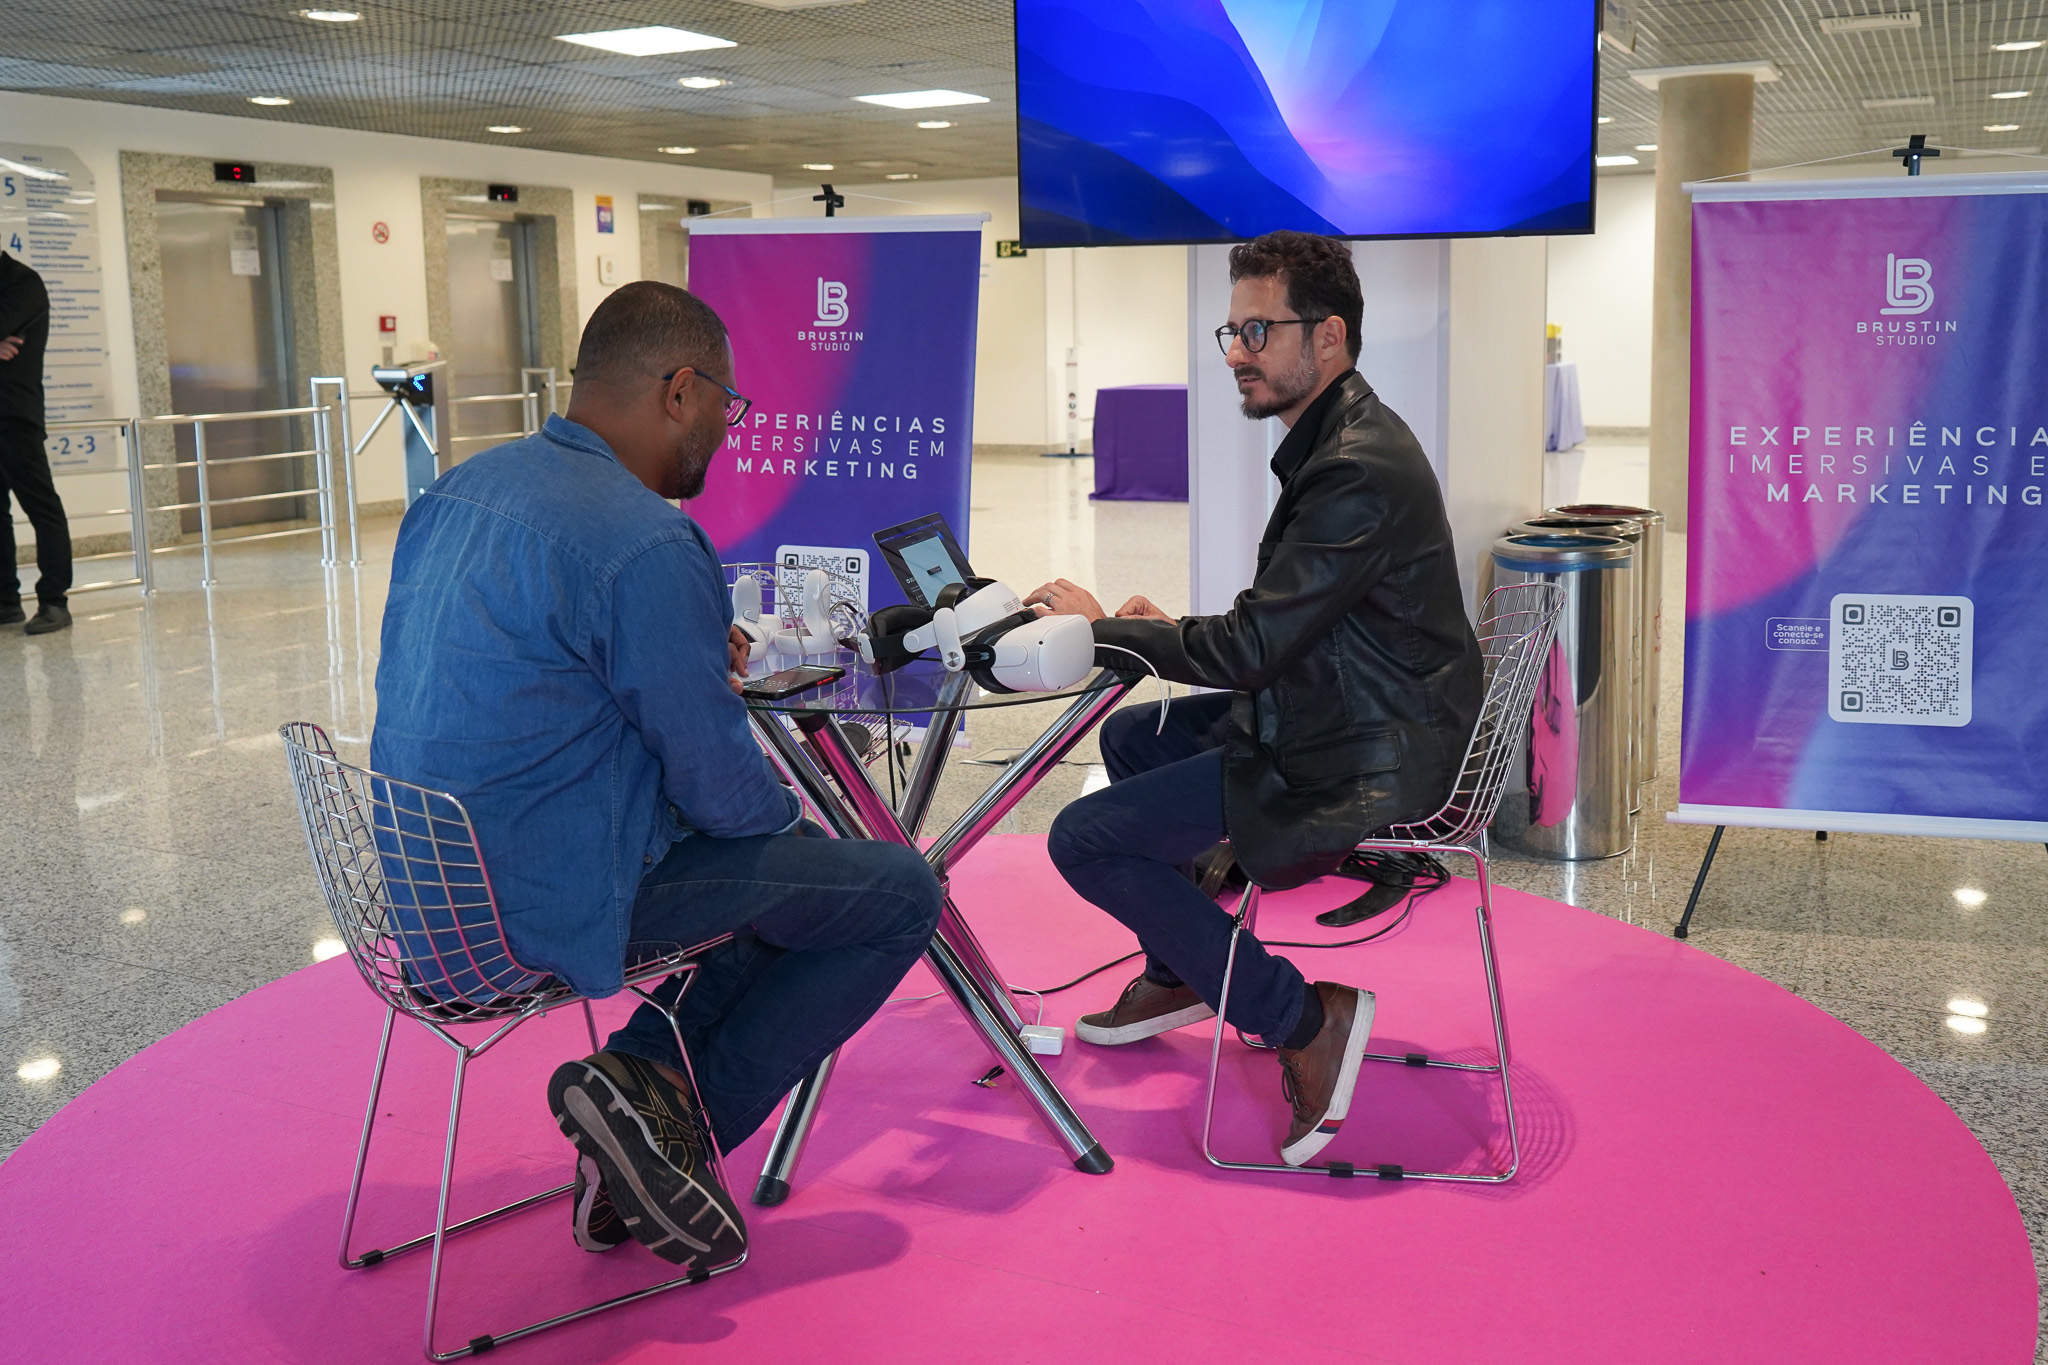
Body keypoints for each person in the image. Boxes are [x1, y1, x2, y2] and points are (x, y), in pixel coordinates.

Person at [372, 281, 943, 1269]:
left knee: (791, 881)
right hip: (544, 904)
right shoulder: (643, 538)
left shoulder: (456, 492)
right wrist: (791, 832)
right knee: (890, 892)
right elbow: (724, 794)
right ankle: (669, 1141)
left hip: (426, 900)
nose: (728, 429)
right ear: (680, 390)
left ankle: (639, 1087)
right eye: (727, 403)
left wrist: (683, 651)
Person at [1034, 231, 1483, 1168]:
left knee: (1083, 838)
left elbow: (1252, 647)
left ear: (1328, 336)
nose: (1237, 352)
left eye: (1257, 331)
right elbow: (1282, 623)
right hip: (1349, 704)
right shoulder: (1338, 438)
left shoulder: (1353, 465)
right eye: (1231, 331)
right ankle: (1183, 967)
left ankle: (1301, 1017)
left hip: (1370, 745)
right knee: (1135, 740)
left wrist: (1099, 629)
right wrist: (1164, 629)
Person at [0, 251, 72, 634]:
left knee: (41, 507)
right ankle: (5, 602)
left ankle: (54, 602)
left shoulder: (22, 282)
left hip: (15, 415)